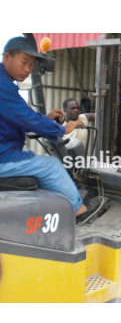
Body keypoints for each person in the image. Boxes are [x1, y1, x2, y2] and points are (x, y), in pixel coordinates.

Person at [0, 36, 104, 225]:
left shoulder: (5, 84)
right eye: (24, 62)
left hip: (5, 150)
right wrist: (62, 128)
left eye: (31, 65)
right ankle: (78, 211)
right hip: (2, 157)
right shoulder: (3, 87)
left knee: (32, 156)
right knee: (51, 166)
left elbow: (16, 118)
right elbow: (25, 117)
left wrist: (46, 121)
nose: (27, 69)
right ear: (7, 57)